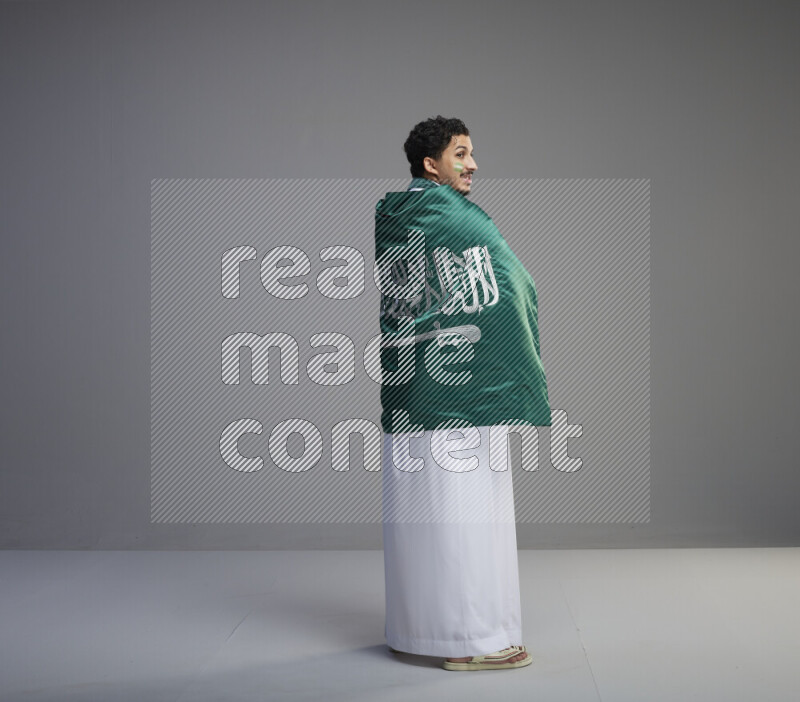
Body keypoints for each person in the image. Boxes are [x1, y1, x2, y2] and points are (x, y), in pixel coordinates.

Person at [375, 116, 551, 671]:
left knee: (426, 515)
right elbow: (513, 283)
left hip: (414, 389)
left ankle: (419, 632)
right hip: (464, 392)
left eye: (471, 153)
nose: (473, 164)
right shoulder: (450, 214)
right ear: (431, 165)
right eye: (460, 154)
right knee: (468, 515)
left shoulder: (395, 213)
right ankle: (472, 640)